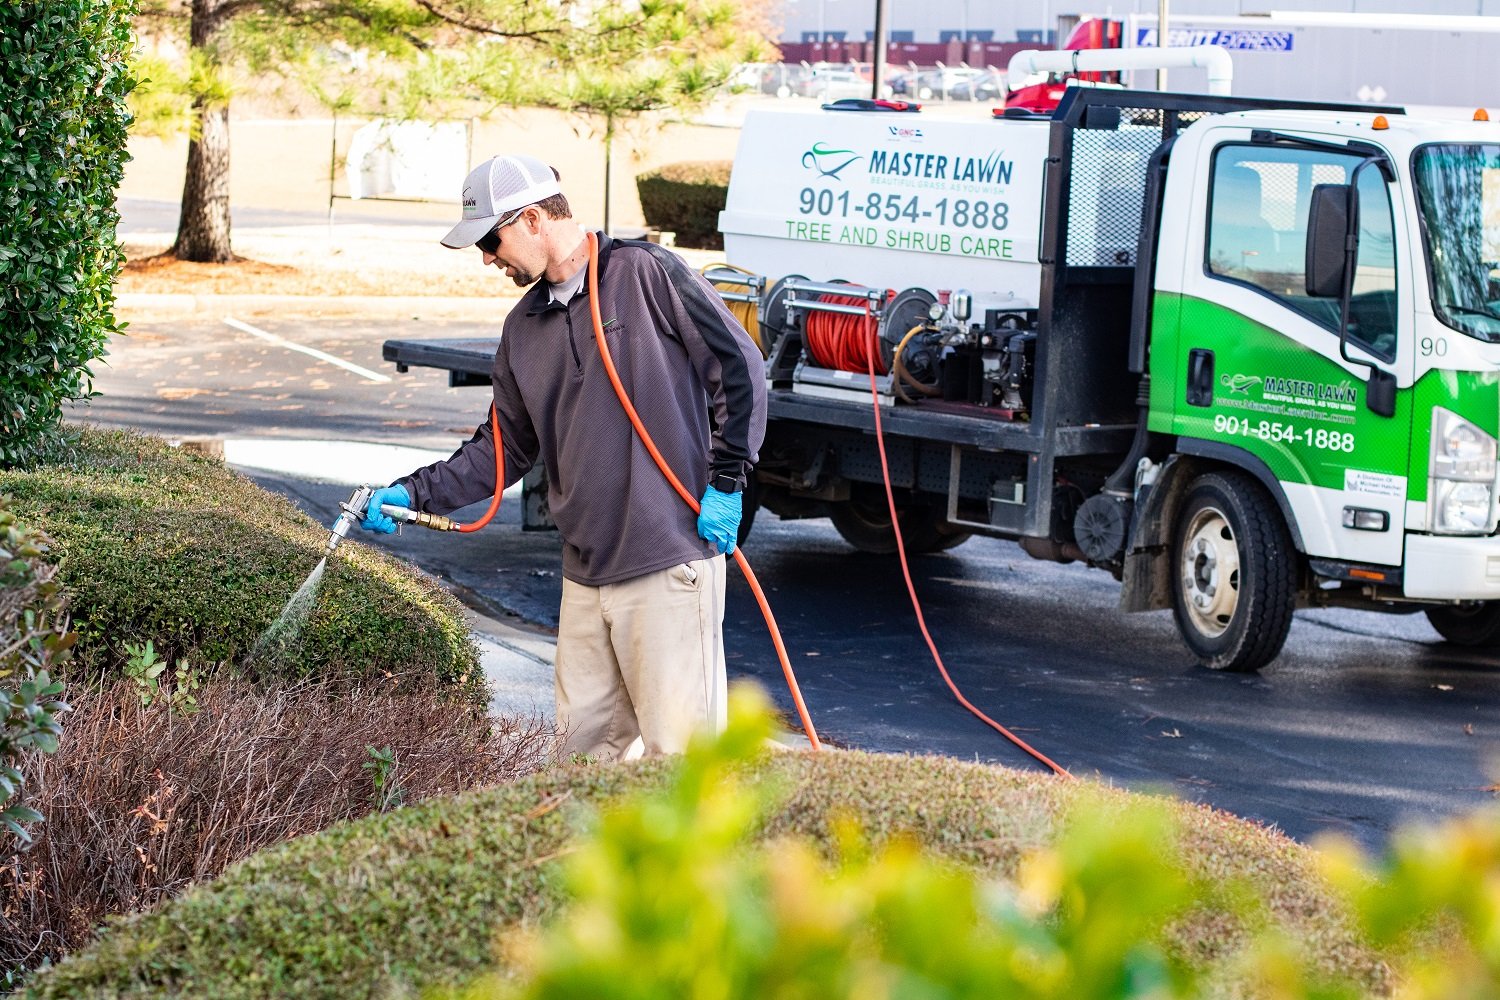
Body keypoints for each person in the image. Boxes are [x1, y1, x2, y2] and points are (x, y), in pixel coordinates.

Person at [359, 153, 767, 761]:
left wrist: (728, 481)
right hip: (585, 578)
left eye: (490, 241)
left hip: (668, 564)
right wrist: (413, 494)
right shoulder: (523, 329)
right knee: (579, 766)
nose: (487, 258)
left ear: (529, 220)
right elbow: (501, 449)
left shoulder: (644, 275)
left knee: (681, 768)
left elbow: (740, 368)